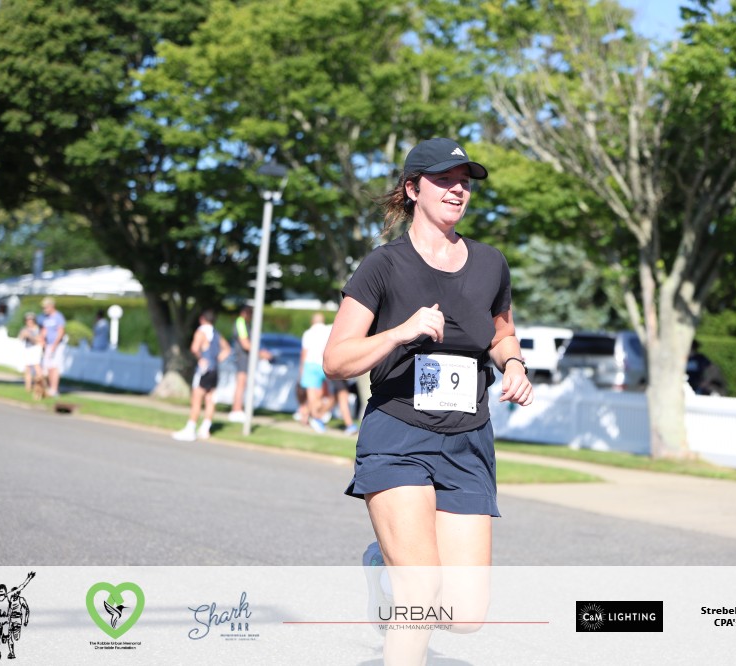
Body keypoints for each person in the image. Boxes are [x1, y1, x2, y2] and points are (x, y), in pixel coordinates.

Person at [323, 137, 533, 662]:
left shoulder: (490, 264)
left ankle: (381, 570)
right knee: (420, 593)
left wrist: (513, 364)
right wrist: (400, 331)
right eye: (444, 180)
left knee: (465, 615)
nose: (458, 190)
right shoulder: (382, 266)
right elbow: (336, 359)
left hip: (469, 441)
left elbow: (502, 334)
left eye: (464, 182)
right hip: (398, 436)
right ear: (413, 189)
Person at [172, 309, 231, 442]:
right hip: (214, 370)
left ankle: (191, 428)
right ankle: (205, 428)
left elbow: (194, 348)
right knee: (210, 399)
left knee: (197, 399)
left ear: (202, 319)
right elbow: (227, 349)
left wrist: (201, 359)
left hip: (204, 370)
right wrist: (217, 359)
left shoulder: (201, 332)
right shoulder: (216, 334)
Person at [0, 568, 35, 662]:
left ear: (5, 591)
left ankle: (5, 636)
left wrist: (28, 579)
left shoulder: (8, 596)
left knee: (6, 635)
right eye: (0, 590)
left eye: (3, 590)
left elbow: (21, 587)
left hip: (5, 621)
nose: (1, 592)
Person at [227, 305, 273, 423]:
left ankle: (238, 409)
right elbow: (245, 343)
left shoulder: (245, 323)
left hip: (245, 358)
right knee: (241, 383)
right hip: (242, 357)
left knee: (243, 383)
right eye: (251, 313)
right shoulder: (240, 322)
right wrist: (260, 353)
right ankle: (236, 410)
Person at [299, 312, 332, 433]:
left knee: (312, 394)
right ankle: (307, 416)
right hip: (323, 364)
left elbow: (304, 352)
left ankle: (315, 417)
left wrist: (301, 369)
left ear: (312, 321)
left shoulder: (308, 333)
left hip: (310, 364)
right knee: (321, 394)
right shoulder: (328, 330)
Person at [39, 297, 66, 397]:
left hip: (57, 345)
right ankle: (50, 388)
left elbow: (61, 331)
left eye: (46, 307)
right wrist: (42, 340)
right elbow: (44, 330)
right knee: (49, 367)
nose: (44, 309)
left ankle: (54, 389)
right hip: (48, 345)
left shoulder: (58, 317)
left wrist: (55, 345)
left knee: (55, 367)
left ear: (51, 306)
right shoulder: (46, 318)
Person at [17, 312, 43, 393]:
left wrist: (30, 336)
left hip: (35, 349)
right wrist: (23, 335)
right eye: (28, 320)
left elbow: (38, 340)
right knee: (27, 369)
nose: (29, 321)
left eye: (31, 320)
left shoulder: (37, 329)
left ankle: (40, 387)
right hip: (27, 349)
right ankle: (28, 388)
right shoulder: (24, 329)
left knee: (37, 368)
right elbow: (20, 339)